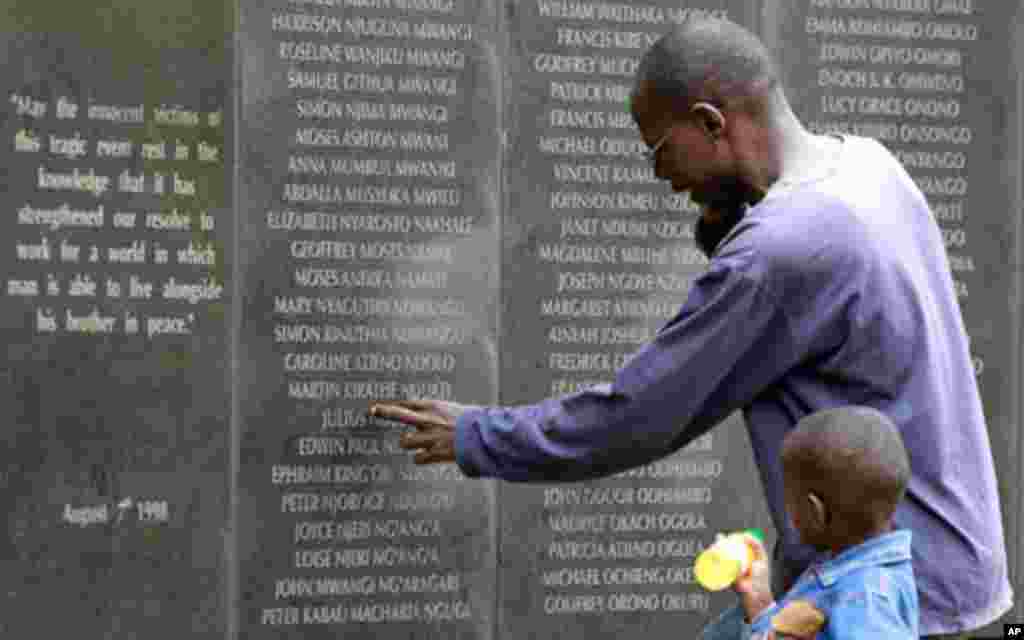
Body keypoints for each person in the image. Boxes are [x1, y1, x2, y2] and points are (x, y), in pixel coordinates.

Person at [369, 16, 1012, 639]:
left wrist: (477, 435)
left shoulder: (777, 250)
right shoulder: (871, 167)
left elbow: (640, 413)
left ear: (710, 123)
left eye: (659, 149)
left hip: (878, 608)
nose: (659, 176)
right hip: (945, 566)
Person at [733, 406, 918, 640]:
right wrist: (760, 606)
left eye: (789, 498)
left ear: (815, 512)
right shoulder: (842, 567)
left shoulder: (865, 603)